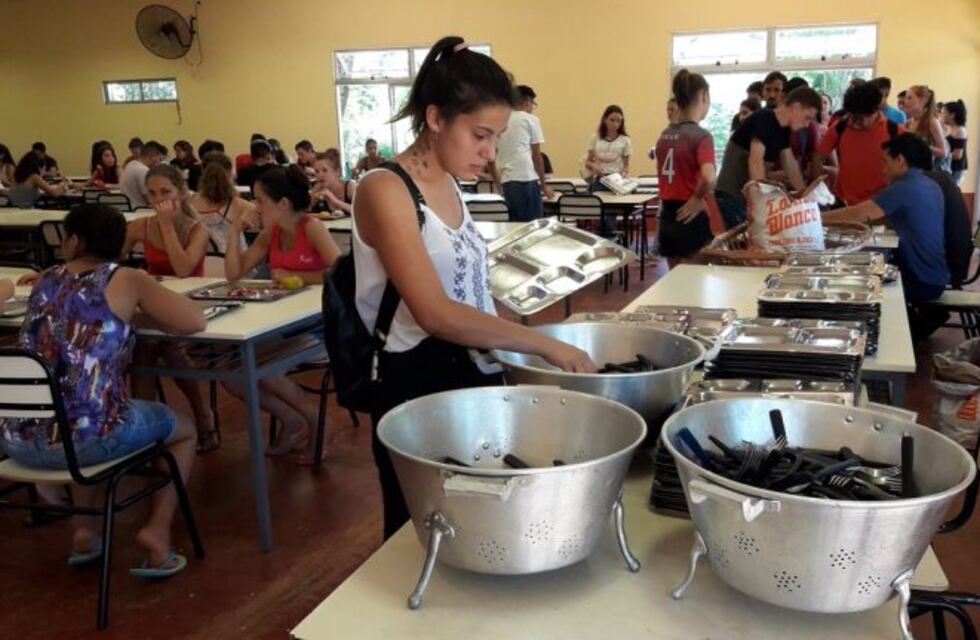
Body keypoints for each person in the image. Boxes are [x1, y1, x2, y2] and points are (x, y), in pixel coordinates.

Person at [353, 36, 594, 539]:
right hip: (414, 380)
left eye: (497, 138)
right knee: (421, 529)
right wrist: (541, 344)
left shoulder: (450, 184)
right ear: (436, 118)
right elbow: (434, 313)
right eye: (480, 135)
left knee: (478, 520)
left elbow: (470, 294)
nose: (489, 153)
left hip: (467, 368)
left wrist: (534, 335)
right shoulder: (385, 189)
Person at [0, 203, 204, 576]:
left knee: (73, 411)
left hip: (17, 441)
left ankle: (84, 530)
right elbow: (194, 322)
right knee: (184, 429)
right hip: (88, 442)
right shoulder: (127, 279)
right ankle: (157, 533)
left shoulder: (45, 281)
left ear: (75, 241)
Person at [223, 166, 340, 458]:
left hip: (320, 328)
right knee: (230, 375)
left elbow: (342, 273)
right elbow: (234, 274)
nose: (255, 207)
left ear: (284, 204)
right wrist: (235, 230)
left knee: (258, 367)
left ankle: (316, 419)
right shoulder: (270, 234)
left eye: (260, 200)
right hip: (286, 325)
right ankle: (292, 419)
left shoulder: (311, 227)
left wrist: (300, 277)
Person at [123, 165, 216, 452]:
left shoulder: (197, 228)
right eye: (152, 193)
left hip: (191, 303)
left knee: (163, 345)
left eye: (166, 192)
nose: (158, 199)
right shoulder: (140, 226)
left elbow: (183, 269)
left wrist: (166, 225)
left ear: (181, 193)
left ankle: (201, 414)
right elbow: (108, 259)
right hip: (154, 302)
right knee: (145, 343)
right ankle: (146, 428)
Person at [822, 134, 948, 310]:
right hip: (935, 276)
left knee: (845, 281)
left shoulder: (905, 187)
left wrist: (814, 219)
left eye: (886, 161)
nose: (883, 169)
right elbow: (878, 218)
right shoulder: (930, 185)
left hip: (919, 281)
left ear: (900, 160)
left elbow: (858, 214)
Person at [713, 86, 822, 229]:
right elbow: (755, 161)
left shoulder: (783, 129)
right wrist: (761, 204)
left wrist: (804, 195)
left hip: (741, 197)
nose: (807, 124)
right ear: (796, 107)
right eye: (807, 118)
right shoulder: (766, 118)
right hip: (731, 197)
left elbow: (790, 164)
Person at [655, 70, 716, 268]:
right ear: (704, 97)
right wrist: (698, 198)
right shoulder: (702, 136)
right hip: (690, 215)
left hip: (667, 217)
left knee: (675, 285)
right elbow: (708, 178)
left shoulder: (664, 136)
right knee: (694, 288)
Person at [815, 81, 904, 206]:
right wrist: (820, 186)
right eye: (852, 116)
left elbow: (909, 172)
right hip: (842, 202)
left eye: (859, 118)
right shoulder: (841, 127)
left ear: (875, 110)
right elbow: (818, 156)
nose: (855, 122)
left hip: (878, 205)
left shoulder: (895, 132)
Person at [490, 84, 555, 222]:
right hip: (526, 178)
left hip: (507, 181)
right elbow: (537, 156)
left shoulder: (501, 119)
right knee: (534, 226)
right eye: (533, 104)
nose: (532, 107)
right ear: (527, 102)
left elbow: (491, 158)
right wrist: (543, 185)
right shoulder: (531, 119)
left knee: (515, 226)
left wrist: (498, 184)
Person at [189, 152, 257, 254]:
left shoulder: (190, 202)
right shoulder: (240, 205)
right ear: (230, 173)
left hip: (200, 263)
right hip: (235, 263)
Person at [905, 85, 949, 171]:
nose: (905, 101)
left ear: (922, 101)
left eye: (909, 98)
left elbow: (943, 152)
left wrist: (922, 146)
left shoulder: (932, 122)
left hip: (925, 171)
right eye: (906, 98)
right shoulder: (909, 122)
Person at [584, 105, 633, 185]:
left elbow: (626, 166)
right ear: (605, 120)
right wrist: (593, 166)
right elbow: (588, 162)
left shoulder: (625, 140)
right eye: (612, 120)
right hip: (599, 179)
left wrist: (624, 174)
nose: (615, 124)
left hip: (617, 180)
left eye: (618, 121)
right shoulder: (595, 138)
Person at [119, 140, 167, 208]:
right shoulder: (143, 171)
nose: (159, 163)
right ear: (153, 157)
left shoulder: (130, 164)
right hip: (140, 210)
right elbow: (150, 199)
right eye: (159, 159)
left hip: (128, 209)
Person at [311, 149, 356, 215]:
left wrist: (335, 201)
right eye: (317, 171)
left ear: (337, 171)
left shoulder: (350, 187)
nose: (320, 175)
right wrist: (312, 198)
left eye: (324, 170)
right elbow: (301, 213)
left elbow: (362, 211)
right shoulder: (317, 190)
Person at [943, 100, 969, 187]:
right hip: (950, 167)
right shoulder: (950, 128)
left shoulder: (960, 130)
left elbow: (958, 155)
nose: (942, 115)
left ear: (952, 115)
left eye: (944, 113)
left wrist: (941, 154)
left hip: (956, 169)